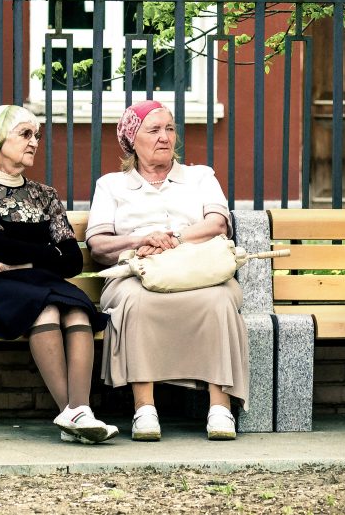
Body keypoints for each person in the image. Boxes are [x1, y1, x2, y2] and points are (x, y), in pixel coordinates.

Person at [85, 100, 248, 441]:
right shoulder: (111, 185)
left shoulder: (200, 176)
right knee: (133, 301)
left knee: (219, 300)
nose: (164, 137)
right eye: (154, 130)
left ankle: (219, 408)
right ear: (132, 140)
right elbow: (98, 245)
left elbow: (218, 224)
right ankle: (145, 409)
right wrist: (141, 239)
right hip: (137, 271)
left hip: (198, 268)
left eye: (170, 128)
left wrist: (171, 238)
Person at [0, 104, 118, 444]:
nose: (34, 142)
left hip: (36, 281)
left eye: (37, 135)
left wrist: (26, 264)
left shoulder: (45, 195)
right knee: (45, 307)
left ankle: (79, 412)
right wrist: (46, 256)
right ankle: (74, 412)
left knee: (77, 309)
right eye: (25, 134)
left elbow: (72, 260)